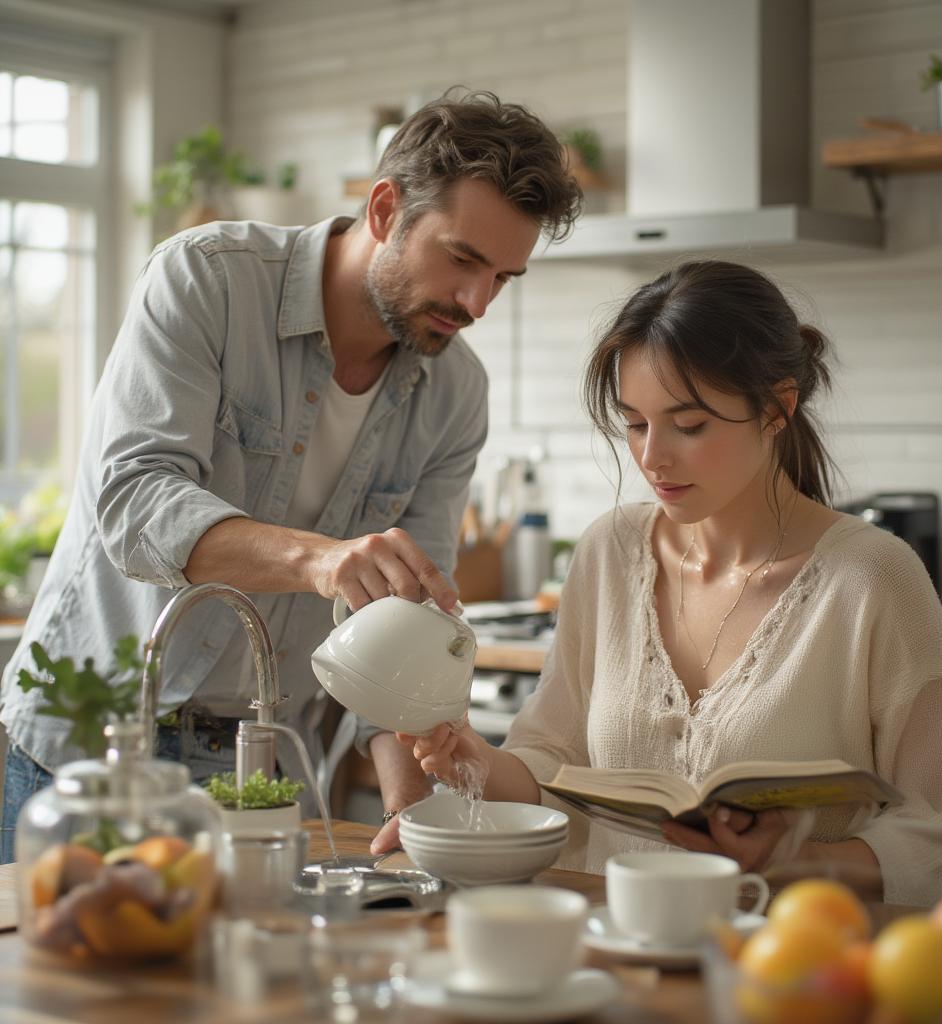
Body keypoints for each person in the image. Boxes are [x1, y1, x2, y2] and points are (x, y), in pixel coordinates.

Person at [0, 89, 582, 863]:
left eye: (504, 277)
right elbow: (134, 506)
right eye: (463, 259)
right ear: (384, 210)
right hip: (93, 750)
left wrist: (414, 814)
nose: (476, 301)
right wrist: (320, 560)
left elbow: (407, 626)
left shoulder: (455, 393)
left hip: (264, 762)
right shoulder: (205, 281)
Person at [398, 260, 942, 906]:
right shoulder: (609, 554)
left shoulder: (874, 582)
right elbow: (551, 762)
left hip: (790, 971)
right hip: (613, 960)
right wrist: (475, 758)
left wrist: (796, 861)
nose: (652, 458)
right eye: (636, 424)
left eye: (690, 425)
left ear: (778, 408)